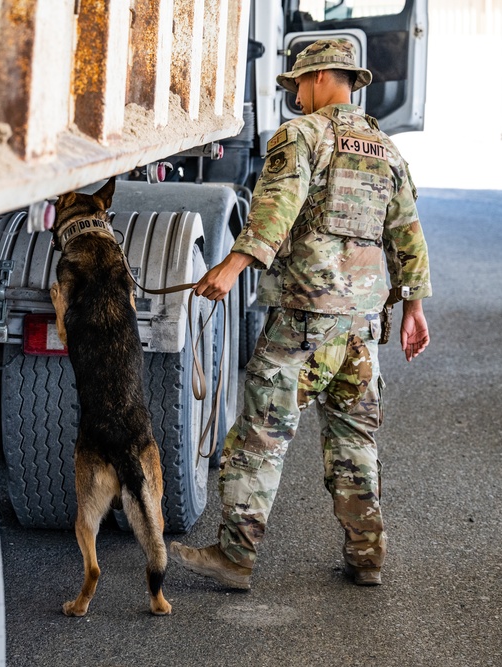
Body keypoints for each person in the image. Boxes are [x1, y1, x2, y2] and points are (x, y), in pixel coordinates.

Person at [169, 39, 431, 588]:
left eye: (297, 88)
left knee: (260, 437)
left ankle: (236, 556)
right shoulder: (386, 149)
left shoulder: (302, 137)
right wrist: (413, 306)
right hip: (361, 327)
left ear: (317, 80)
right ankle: (367, 558)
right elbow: (407, 230)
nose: (297, 98)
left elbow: (275, 209)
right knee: (355, 441)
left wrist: (232, 268)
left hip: (302, 323)